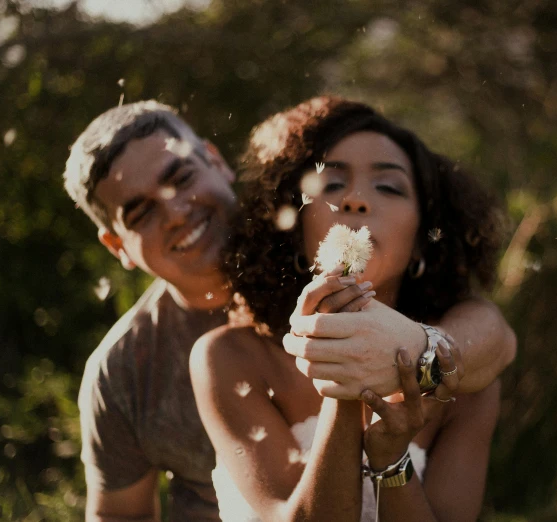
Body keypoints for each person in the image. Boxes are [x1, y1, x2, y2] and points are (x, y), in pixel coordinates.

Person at [64, 100, 515, 521]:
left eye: (181, 178)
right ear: (117, 246)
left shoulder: (457, 337)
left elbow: (493, 339)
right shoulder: (133, 368)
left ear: (215, 161)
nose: (177, 212)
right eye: (141, 212)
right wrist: (345, 366)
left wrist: (405, 358)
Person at [190, 96, 508, 521]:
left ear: (419, 242)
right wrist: (342, 374)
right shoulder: (228, 358)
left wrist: (391, 458)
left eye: (389, 187)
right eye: (332, 185)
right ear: (297, 230)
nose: (356, 200)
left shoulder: (465, 384)